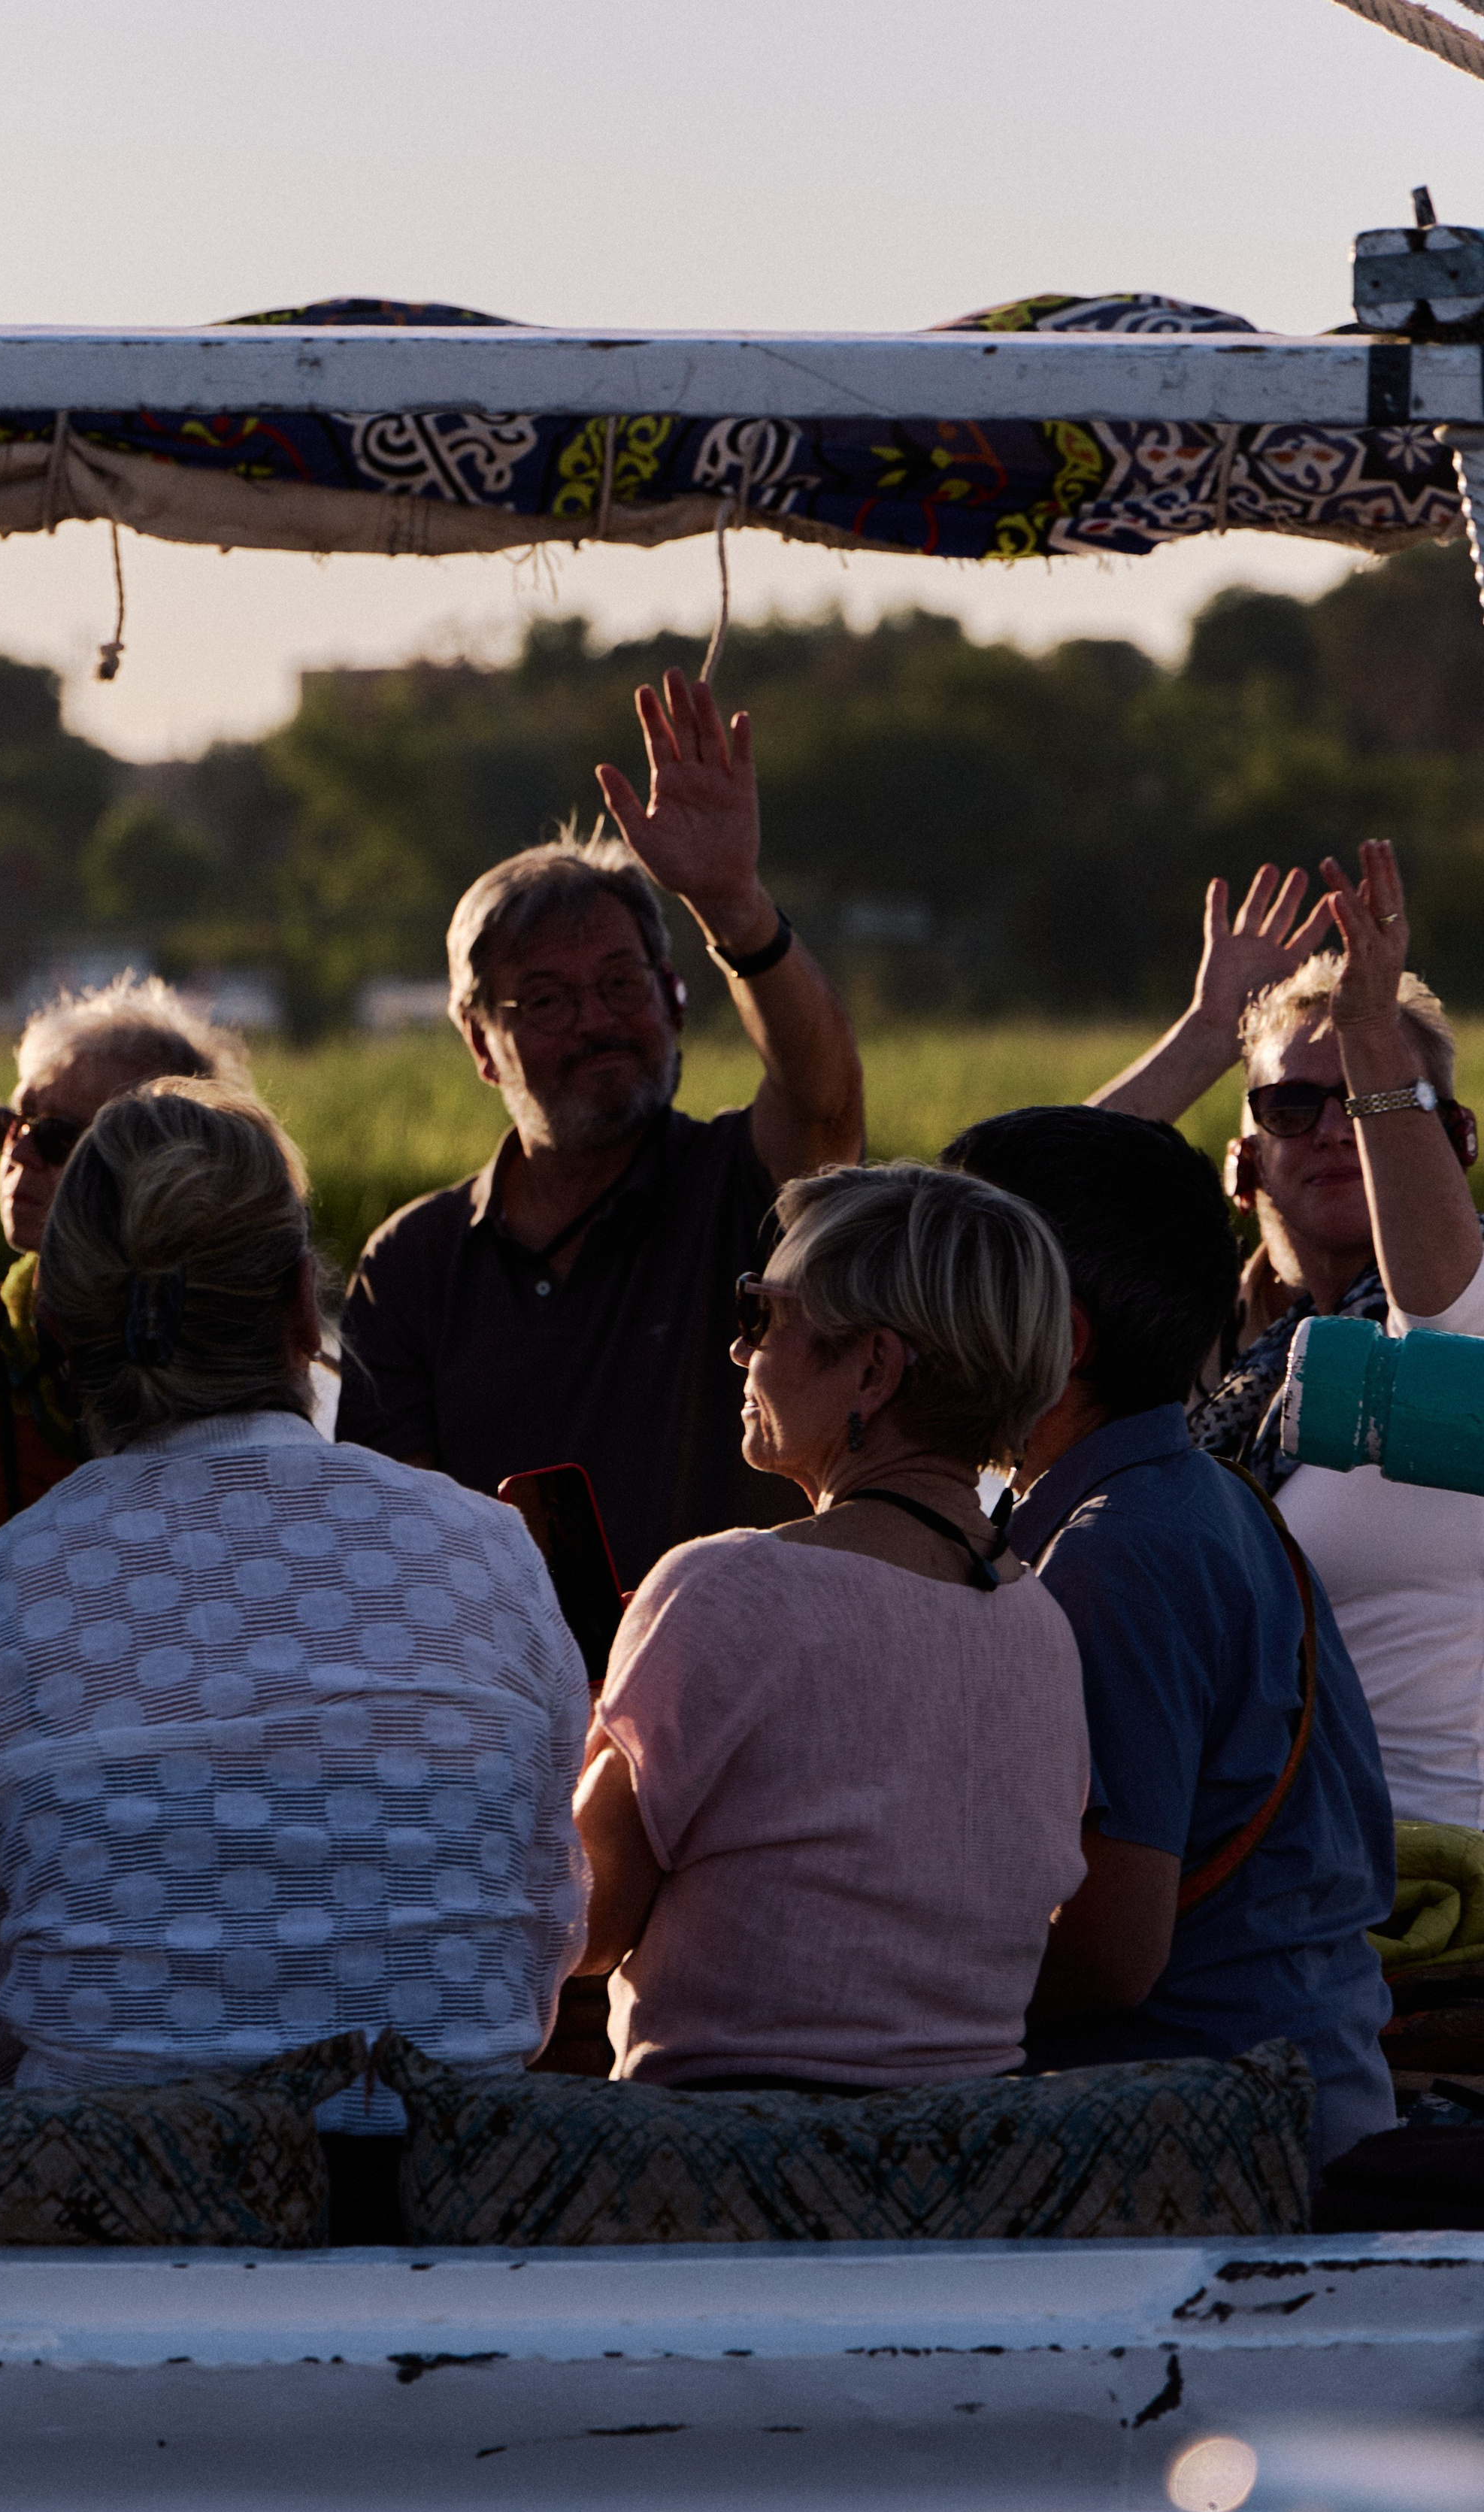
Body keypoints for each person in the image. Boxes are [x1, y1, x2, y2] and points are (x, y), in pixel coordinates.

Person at [0, 1080, 589, 2102]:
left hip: (108, 2205)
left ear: (56, 1320)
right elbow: (535, 1939)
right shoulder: (486, 1551)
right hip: (436, 2199)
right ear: (305, 1304)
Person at [337, 668, 864, 1586]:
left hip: (739, 1679)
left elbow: (823, 1101)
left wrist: (732, 904)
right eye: (545, 999)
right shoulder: (414, 1265)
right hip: (514, 1703)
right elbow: (393, 1538)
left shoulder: (738, 1188)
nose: (596, 1022)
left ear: (672, 997)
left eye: (622, 983)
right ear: (481, 1042)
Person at [943, 1107, 1396, 2172]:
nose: (906, 1320)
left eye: (952, 1279)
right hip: (1282, 2097)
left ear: (1057, 1337)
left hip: (1210, 2156)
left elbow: (1110, 1953)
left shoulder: (1117, 1553)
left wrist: (878, 1986)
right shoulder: (1194, 1499)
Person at [573, 1162, 1091, 2093]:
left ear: (872, 1369)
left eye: (761, 1315)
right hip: (957, 2169)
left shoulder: (727, 1590)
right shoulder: (1039, 1621)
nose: (740, 1352)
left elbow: (582, 1923)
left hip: (718, 2178)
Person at [1094, 845, 1484, 1829]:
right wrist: (1201, 1035)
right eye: (1292, 1104)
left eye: (1367, 1098)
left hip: (1432, 1866)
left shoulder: (1468, 1318)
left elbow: (1439, 1303)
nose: (1334, 1126)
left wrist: (1368, 1028)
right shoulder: (1189, 1359)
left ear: (1458, 1141)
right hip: (1211, 1854)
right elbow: (993, 1239)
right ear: (1246, 1162)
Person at [0, 974, 254, 1544]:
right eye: (9, 1124)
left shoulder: (224, 1339)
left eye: (57, 1137)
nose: (20, 1153)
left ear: (162, 1167)